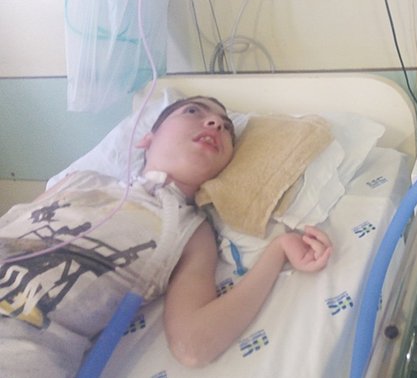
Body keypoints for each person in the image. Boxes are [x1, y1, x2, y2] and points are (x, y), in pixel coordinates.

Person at [0, 96, 333, 376]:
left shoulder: (188, 230)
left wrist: (277, 251)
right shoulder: (77, 180)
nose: (215, 124)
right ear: (147, 138)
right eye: (193, 111)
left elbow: (194, 345)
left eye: (227, 127)